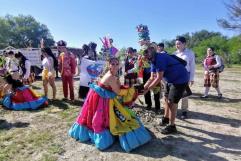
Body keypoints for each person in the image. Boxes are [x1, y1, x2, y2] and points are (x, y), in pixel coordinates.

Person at [68, 57, 151, 152]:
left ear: (119, 64)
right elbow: (118, 91)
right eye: (113, 64)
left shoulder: (114, 74)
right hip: (102, 98)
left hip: (102, 95)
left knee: (107, 115)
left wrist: (127, 88)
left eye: (117, 64)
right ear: (109, 65)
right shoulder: (111, 76)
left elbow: (118, 87)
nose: (115, 66)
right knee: (102, 118)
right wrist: (132, 90)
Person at [143, 46, 189, 134]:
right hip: (170, 80)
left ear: (152, 54)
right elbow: (152, 77)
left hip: (180, 79)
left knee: (172, 102)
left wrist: (148, 89)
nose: (146, 58)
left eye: (147, 56)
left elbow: (159, 78)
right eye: (145, 56)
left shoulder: (160, 58)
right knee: (166, 99)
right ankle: (166, 118)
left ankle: (172, 126)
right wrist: (143, 88)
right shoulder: (152, 60)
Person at [173, 37, 196, 119]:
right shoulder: (174, 54)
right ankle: (174, 111)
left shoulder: (190, 53)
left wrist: (192, 78)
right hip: (176, 77)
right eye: (176, 44)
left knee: (184, 94)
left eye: (179, 43)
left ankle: (184, 111)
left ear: (184, 44)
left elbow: (192, 66)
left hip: (186, 76)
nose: (177, 45)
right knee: (174, 94)